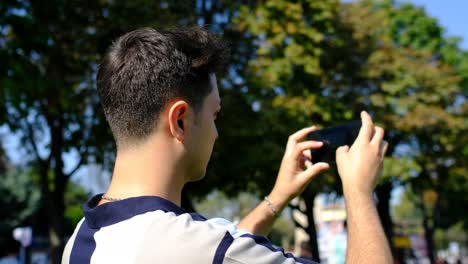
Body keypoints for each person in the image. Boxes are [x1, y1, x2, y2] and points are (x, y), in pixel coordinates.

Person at [62, 27, 392, 264]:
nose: (216, 132)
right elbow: (217, 252)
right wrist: (359, 192)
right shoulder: (198, 247)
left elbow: (217, 251)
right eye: (214, 114)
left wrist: (277, 197)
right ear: (180, 121)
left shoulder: (82, 237)